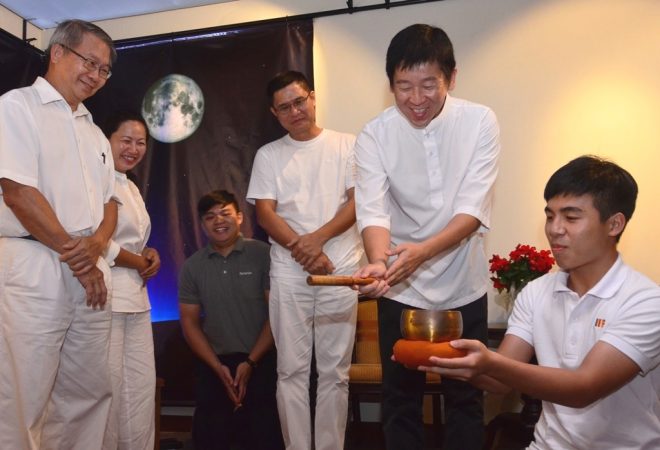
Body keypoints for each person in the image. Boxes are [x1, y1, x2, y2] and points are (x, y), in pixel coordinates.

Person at [420, 155, 660, 449]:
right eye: (550, 215)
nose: (555, 229)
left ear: (614, 224)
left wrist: (489, 361)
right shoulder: (536, 292)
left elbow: (583, 388)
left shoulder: (645, 301)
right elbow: (500, 382)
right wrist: (450, 358)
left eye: (571, 218)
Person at [353, 24, 500, 450]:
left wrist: (420, 254)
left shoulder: (479, 122)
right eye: (403, 87)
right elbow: (373, 209)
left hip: (463, 283)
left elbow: (472, 210)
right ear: (391, 85)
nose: (416, 100)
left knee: (465, 399)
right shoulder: (374, 135)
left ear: (451, 78)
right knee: (399, 401)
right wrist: (381, 262)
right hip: (401, 286)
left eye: (428, 85)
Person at [0, 19, 118, 450]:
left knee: (87, 392)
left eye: (105, 70)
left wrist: (100, 244)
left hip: (90, 273)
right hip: (34, 266)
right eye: (90, 61)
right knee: (22, 397)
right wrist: (80, 257)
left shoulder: (94, 131)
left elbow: (110, 202)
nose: (96, 75)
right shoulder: (17, 106)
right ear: (58, 53)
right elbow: (17, 192)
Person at [246, 70, 363, 450]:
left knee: (335, 372)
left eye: (299, 101)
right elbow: (265, 213)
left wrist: (317, 241)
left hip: (341, 268)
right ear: (274, 113)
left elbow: (358, 202)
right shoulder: (269, 155)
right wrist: (305, 250)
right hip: (289, 273)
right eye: (285, 107)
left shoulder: (349, 145)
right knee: (291, 370)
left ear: (312, 98)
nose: (295, 111)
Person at [178, 190, 284, 450]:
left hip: (262, 357)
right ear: (203, 225)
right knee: (209, 433)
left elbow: (276, 315)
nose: (218, 221)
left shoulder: (264, 255)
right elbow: (190, 323)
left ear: (239, 217)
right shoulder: (192, 266)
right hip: (216, 363)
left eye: (225, 213)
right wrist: (217, 368)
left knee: (265, 429)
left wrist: (250, 362)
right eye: (210, 217)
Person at [101, 111, 161, 450]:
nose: (133, 149)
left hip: (138, 300)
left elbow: (135, 240)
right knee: (107, 390)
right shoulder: (95, 179)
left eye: (140, 143)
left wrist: (149, 253)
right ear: (105, 140)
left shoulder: (132, 186)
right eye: (126, 140)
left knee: (139, 390)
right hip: (105, 298)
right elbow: (97, 241)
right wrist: (137, 260)